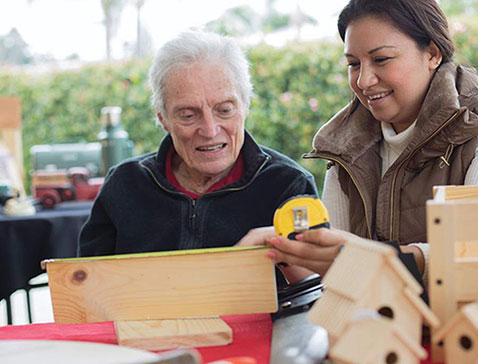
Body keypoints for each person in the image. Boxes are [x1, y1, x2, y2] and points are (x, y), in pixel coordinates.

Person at [242, 0, 478, 283]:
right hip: (376, 328)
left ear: (433, 53)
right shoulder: (344, 149)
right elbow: (340, 277)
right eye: (353, 64)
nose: (364, 80)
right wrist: (292, 252)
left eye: (381, 59)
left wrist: (372, 258)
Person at [79, 30, 317, 257]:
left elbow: (312, 287)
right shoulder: (125, 183)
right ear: (163, 118)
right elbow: (87, 283)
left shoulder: (288, 184)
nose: (210, 130)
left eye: (224, 110)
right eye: (188, 115)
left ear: (245, 106)